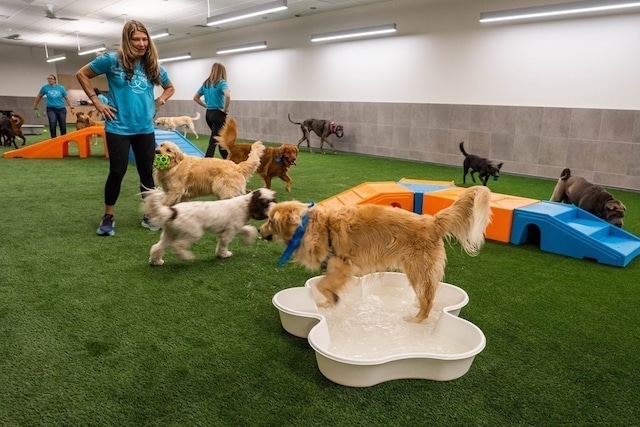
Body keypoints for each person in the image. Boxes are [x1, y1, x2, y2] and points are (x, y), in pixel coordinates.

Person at [76, 20, 175, 237]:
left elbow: (169, 88)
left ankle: (149, 215)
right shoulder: (112, 60)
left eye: (144, 39)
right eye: (136, 39)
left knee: (146, 173)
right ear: (127, 41)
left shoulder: (153, 66)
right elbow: (82, 74)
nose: (141, 44)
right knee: (117, 172)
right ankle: (108, 216)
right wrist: (96, 101)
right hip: (118, 127)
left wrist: (158, 102)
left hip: (144, 128)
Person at [193, 62, 230, 158]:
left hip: (209, 114)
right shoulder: (222, 83)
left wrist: (207, 106)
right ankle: (207, 160)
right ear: (222, 72)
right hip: (218, 114)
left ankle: (228, 158)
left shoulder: (206, 84)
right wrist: (225, 110)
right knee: (214, 140)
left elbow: (195, 98)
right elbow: (228, 95)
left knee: (219, 138)